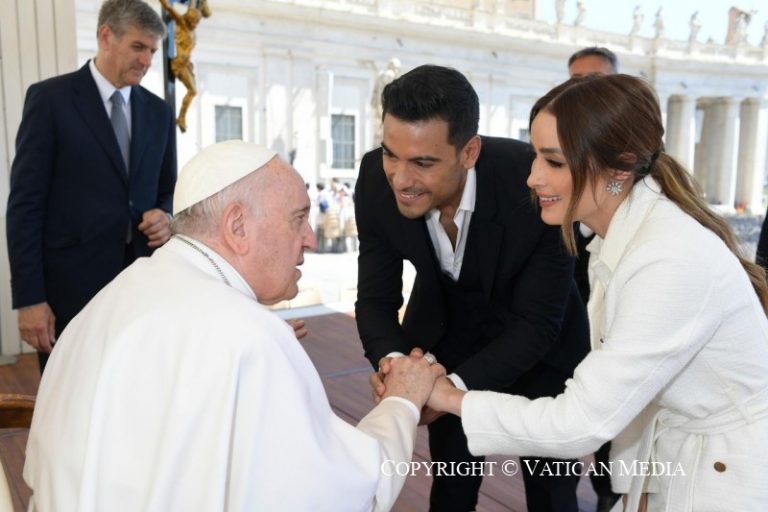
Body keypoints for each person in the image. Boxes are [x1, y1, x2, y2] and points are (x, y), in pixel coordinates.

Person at [23, 140, 446, 511]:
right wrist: (402, 400)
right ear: (237, 225)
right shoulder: (248, 337)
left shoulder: (111, 297)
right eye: (298, 218)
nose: (311, 239)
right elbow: (347, 494)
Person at [427, 74, 768, 511]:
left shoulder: (667, 259)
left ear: (619, 170)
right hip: (687, 461)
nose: (532, 177)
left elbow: (580, 422)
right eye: (535, 156)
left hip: (733, 478)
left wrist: (446, 396)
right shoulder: (626, 235)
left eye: (554, 162)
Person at [356, 64, 590, 512]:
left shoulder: (534, 183)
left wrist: (447, 389)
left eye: (423, 163)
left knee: (552, 492)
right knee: (452, 487)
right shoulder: (373, 177)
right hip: (447, 346)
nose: (401, 180)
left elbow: (538, 323)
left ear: (469, 152)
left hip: (542, 353)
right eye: (391, 155)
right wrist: (399, 372)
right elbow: (375, 298)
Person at [6, 0, 176, 373]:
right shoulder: (50, 100)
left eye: (152, 51)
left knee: (136, 388)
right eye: (138, 47)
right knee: (70, 396)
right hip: (69, 294)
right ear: (105, 36)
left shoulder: (160, 112)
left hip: (141, 287)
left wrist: (165, 216)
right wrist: (30, 299)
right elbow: (25, 207)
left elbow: (167, 190)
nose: (147, 60)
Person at [567, 46, 621, 512]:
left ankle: (609, 494)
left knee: (615, 416)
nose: (583, 90)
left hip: (615, 322)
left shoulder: (633, 154)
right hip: (563, 321)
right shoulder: (556, 152)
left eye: (595, 81)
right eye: (575, 81)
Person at [158, 0, 211, 132]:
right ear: (188, 19)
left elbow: (204, 12)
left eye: (197, 22)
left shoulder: (192, 31)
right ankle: (181, 118)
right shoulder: (182, 22)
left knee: (193, 91)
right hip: (179, 64)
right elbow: (169, 8)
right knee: (193, 90)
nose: (195, 24)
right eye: (193, 21)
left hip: (186, 64)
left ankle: (181, 118)